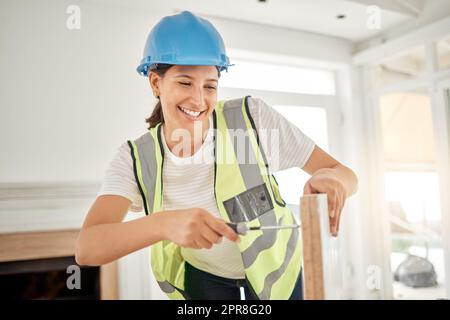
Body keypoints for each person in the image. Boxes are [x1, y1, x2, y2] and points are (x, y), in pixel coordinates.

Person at [75, 11, 358, 300]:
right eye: (184, 83)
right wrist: (164, 223)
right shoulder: (135, 158)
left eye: (210, 86)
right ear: (155, 83)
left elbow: (343, 173)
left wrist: (335, 181)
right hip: (205, 279)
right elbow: (88, 248)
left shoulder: (252, 119)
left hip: (279, 274)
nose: (198, 100)